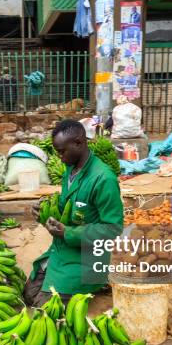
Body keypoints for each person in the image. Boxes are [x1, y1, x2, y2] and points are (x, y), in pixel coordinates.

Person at [25, 120, 124, 306]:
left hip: (87, 256)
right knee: (29, 294)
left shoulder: (103, 179)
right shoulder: (70, 169)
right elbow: (67, 208)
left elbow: (113, 229)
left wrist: (68, 233)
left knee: (44, 305)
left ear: (79, 142)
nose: (60, 157)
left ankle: (97, 282)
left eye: (62, 151)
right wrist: (43, 213)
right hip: (64, 248)